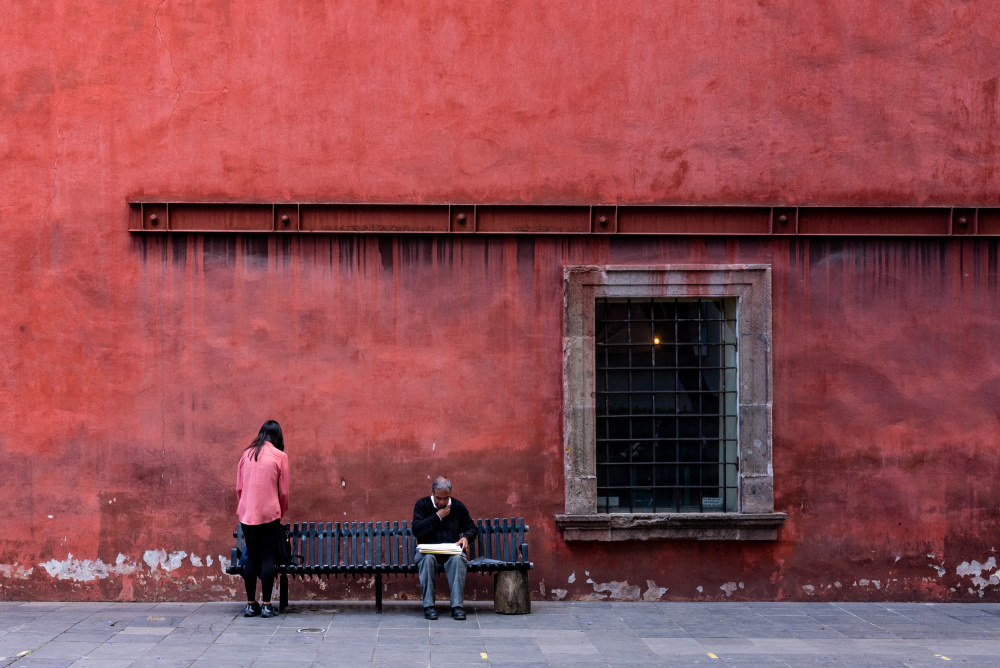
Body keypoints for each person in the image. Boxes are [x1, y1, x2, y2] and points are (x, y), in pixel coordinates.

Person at [236, 420, 289, 618]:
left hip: (247, 513)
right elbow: (283, 492)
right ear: (277, 437)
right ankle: (267, 605)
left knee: (251, 557)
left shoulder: (246, 454)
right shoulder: (280, 456)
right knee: (267, 557)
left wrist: (245, 507)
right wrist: (279, 511)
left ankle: (251, 604)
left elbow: (239, 488)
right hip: (269, 513)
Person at [411, 476, 477, 620]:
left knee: (458, 559)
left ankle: (457, 607)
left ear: (450, 494)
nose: (442, 502)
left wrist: (466, 537)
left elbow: (472, 527)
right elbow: (417, 529)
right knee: (427, 560)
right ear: (432, 492)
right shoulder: (422, 505)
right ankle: (429, 606)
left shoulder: (458, 506)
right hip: (427, 551)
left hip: (450, 550)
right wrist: (438, 516)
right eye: (438, 498)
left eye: (446, 498)